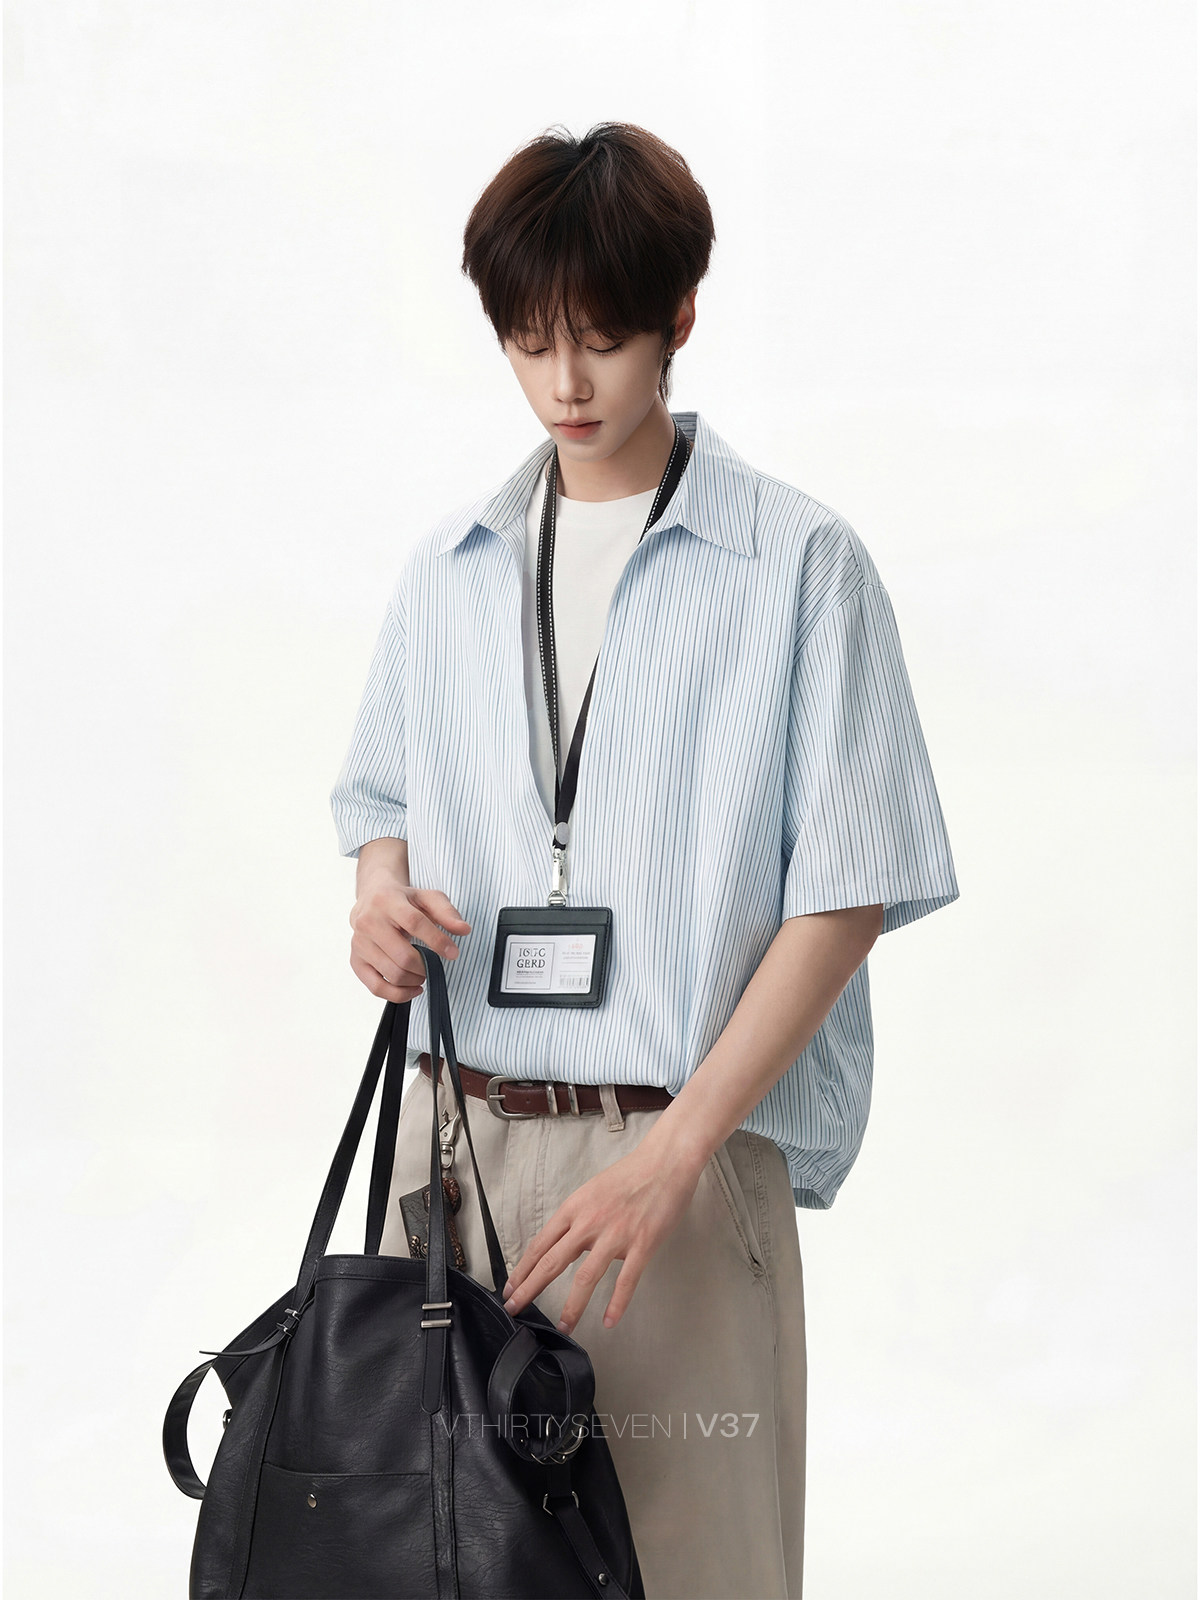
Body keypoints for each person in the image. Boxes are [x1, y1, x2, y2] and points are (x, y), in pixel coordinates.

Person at [330, 121, 959, 1600]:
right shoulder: (450, 572)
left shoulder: (799, 566)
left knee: (695, 1573)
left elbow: (845, 893)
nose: (567, 383)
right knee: (448, 1569)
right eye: (530, 342)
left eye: (602, 340)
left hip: (682, 1157)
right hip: (459, 1162)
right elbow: (379, 800)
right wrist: (377, 897)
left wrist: (674, 1158)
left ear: (679, 317)